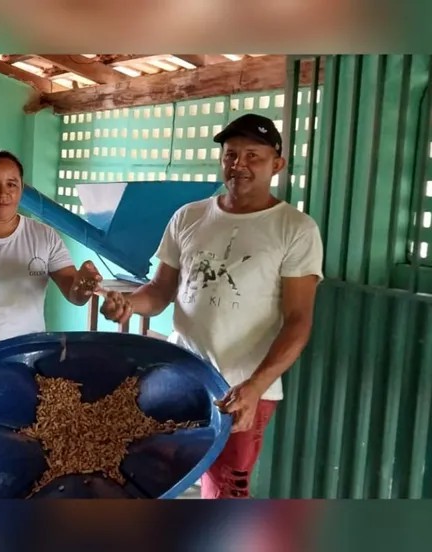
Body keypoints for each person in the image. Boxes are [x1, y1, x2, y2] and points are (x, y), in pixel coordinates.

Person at [99, 113, 324, 499]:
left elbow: (298, 321)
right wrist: (129, 305)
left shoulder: (295, 229)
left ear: (277, 164)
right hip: (180, 376)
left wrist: (255, 386)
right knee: (152, 477)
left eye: (253, 156)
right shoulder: (189, 216)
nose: (239, 165)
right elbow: (159, 291)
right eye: (231, 155)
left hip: (243, 389)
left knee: (225, 489)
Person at [0, 149, 103, 499]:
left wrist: (86, 284)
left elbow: (73, 292)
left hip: (30, 367)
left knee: (26, 451)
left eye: (12, 184)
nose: (2, 193)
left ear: (22, 189)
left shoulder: (43, 237)